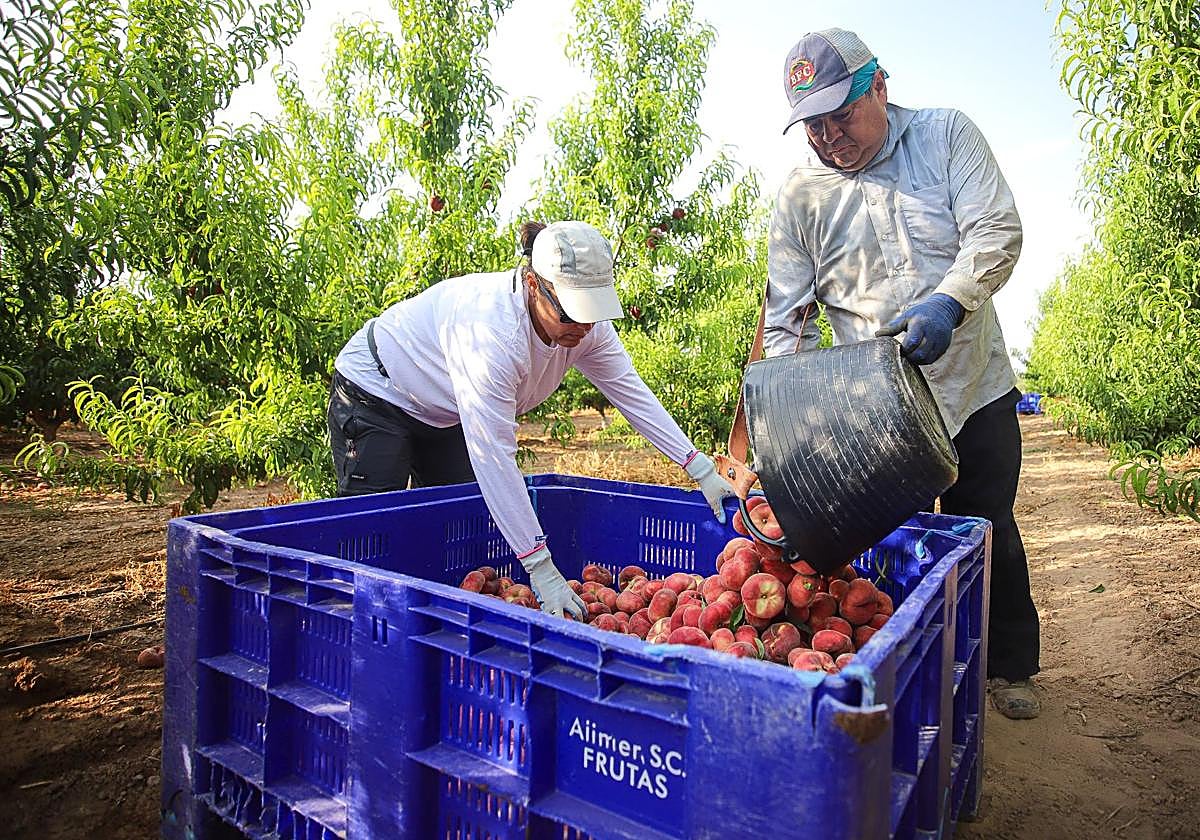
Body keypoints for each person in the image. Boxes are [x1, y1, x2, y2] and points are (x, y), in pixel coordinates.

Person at [764, 29, 1040, 718]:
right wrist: (784, 435)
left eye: (841, 117)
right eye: (814, 127)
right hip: (876, 417)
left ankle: (1009, 667)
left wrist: (950, 300)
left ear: (879, 86)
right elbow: (785, 320)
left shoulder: (946, 137)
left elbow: (996, 230)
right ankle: (922, 675)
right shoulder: (801, 197)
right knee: (899, 553)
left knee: (986, 530)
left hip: (972, 387)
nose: (829, 138)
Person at [327, 220, 736, 620]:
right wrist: (541, 567)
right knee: (376, 529)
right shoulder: (492, 336)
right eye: (570, 313)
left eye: (591, 312)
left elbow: (631, 393)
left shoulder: (586, 330)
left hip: (447, 407)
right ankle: (359, 625)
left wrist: (698, 466)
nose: (583, 326)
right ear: (532, 284)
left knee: (450, 527)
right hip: (378, 391)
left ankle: (430, 621)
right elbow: (494, 459)